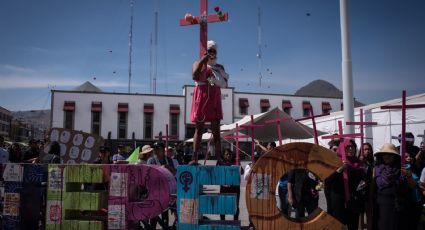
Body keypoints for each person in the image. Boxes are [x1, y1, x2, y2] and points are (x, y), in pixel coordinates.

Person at [190, 40, 229, 163]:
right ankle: (195, 157)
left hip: (214, 96)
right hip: (201, 95)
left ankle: (218, 157)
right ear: (205, 51)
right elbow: (194, 76)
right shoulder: (197, 63)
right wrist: (203, 61)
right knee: (199, 129)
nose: (212, 53)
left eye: (214, 51)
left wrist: (213, 80)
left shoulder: (219, 67)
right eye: (209, 50)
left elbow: (225, 83)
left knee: (216, 129)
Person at [326, 139, 365, 230]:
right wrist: (339, 170)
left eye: (353, 147)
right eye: (348, 147)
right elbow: (327, 182)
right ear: (342, 148)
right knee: (339, 226)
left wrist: (363, 183)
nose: (351, 149)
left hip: (354, 200)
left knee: (353, 226)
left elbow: (362, 181)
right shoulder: (335, 162)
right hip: (339, 201)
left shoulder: (358, 163)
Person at [373, 143, 412, 230]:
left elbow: (411, 186)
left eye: (390, 154)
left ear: (395, 156)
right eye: (385, 154)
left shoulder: (401, 170)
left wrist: (409, 176)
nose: (387, 156)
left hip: (396, 208)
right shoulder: (376, 169)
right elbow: (372, 189)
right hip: (380, 208)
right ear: (381, 156)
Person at [147, 142, 176, 228]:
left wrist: (169, 167)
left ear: (163, 150)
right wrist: (160, 170)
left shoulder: (169, 160)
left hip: (166, 190)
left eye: (158, 148)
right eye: (155, 149)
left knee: (165, 213)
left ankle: (165, 227)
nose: (155, 150)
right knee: (153, 214)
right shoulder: (151, 160)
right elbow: (148, 175)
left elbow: (174, 173)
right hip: (154, 190)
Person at [218, 148, 242, 221]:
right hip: (224, 188)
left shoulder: (235, 161)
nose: (228, 156)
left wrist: (238, 164)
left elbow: (242, 172)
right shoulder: (220, 162)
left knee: (235, 206)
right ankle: (223, 221)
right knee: (223, 205)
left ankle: (235, 221)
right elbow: (217, 172)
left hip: (235, 188)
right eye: (226, 154)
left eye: (230, 154)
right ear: (223, 155)